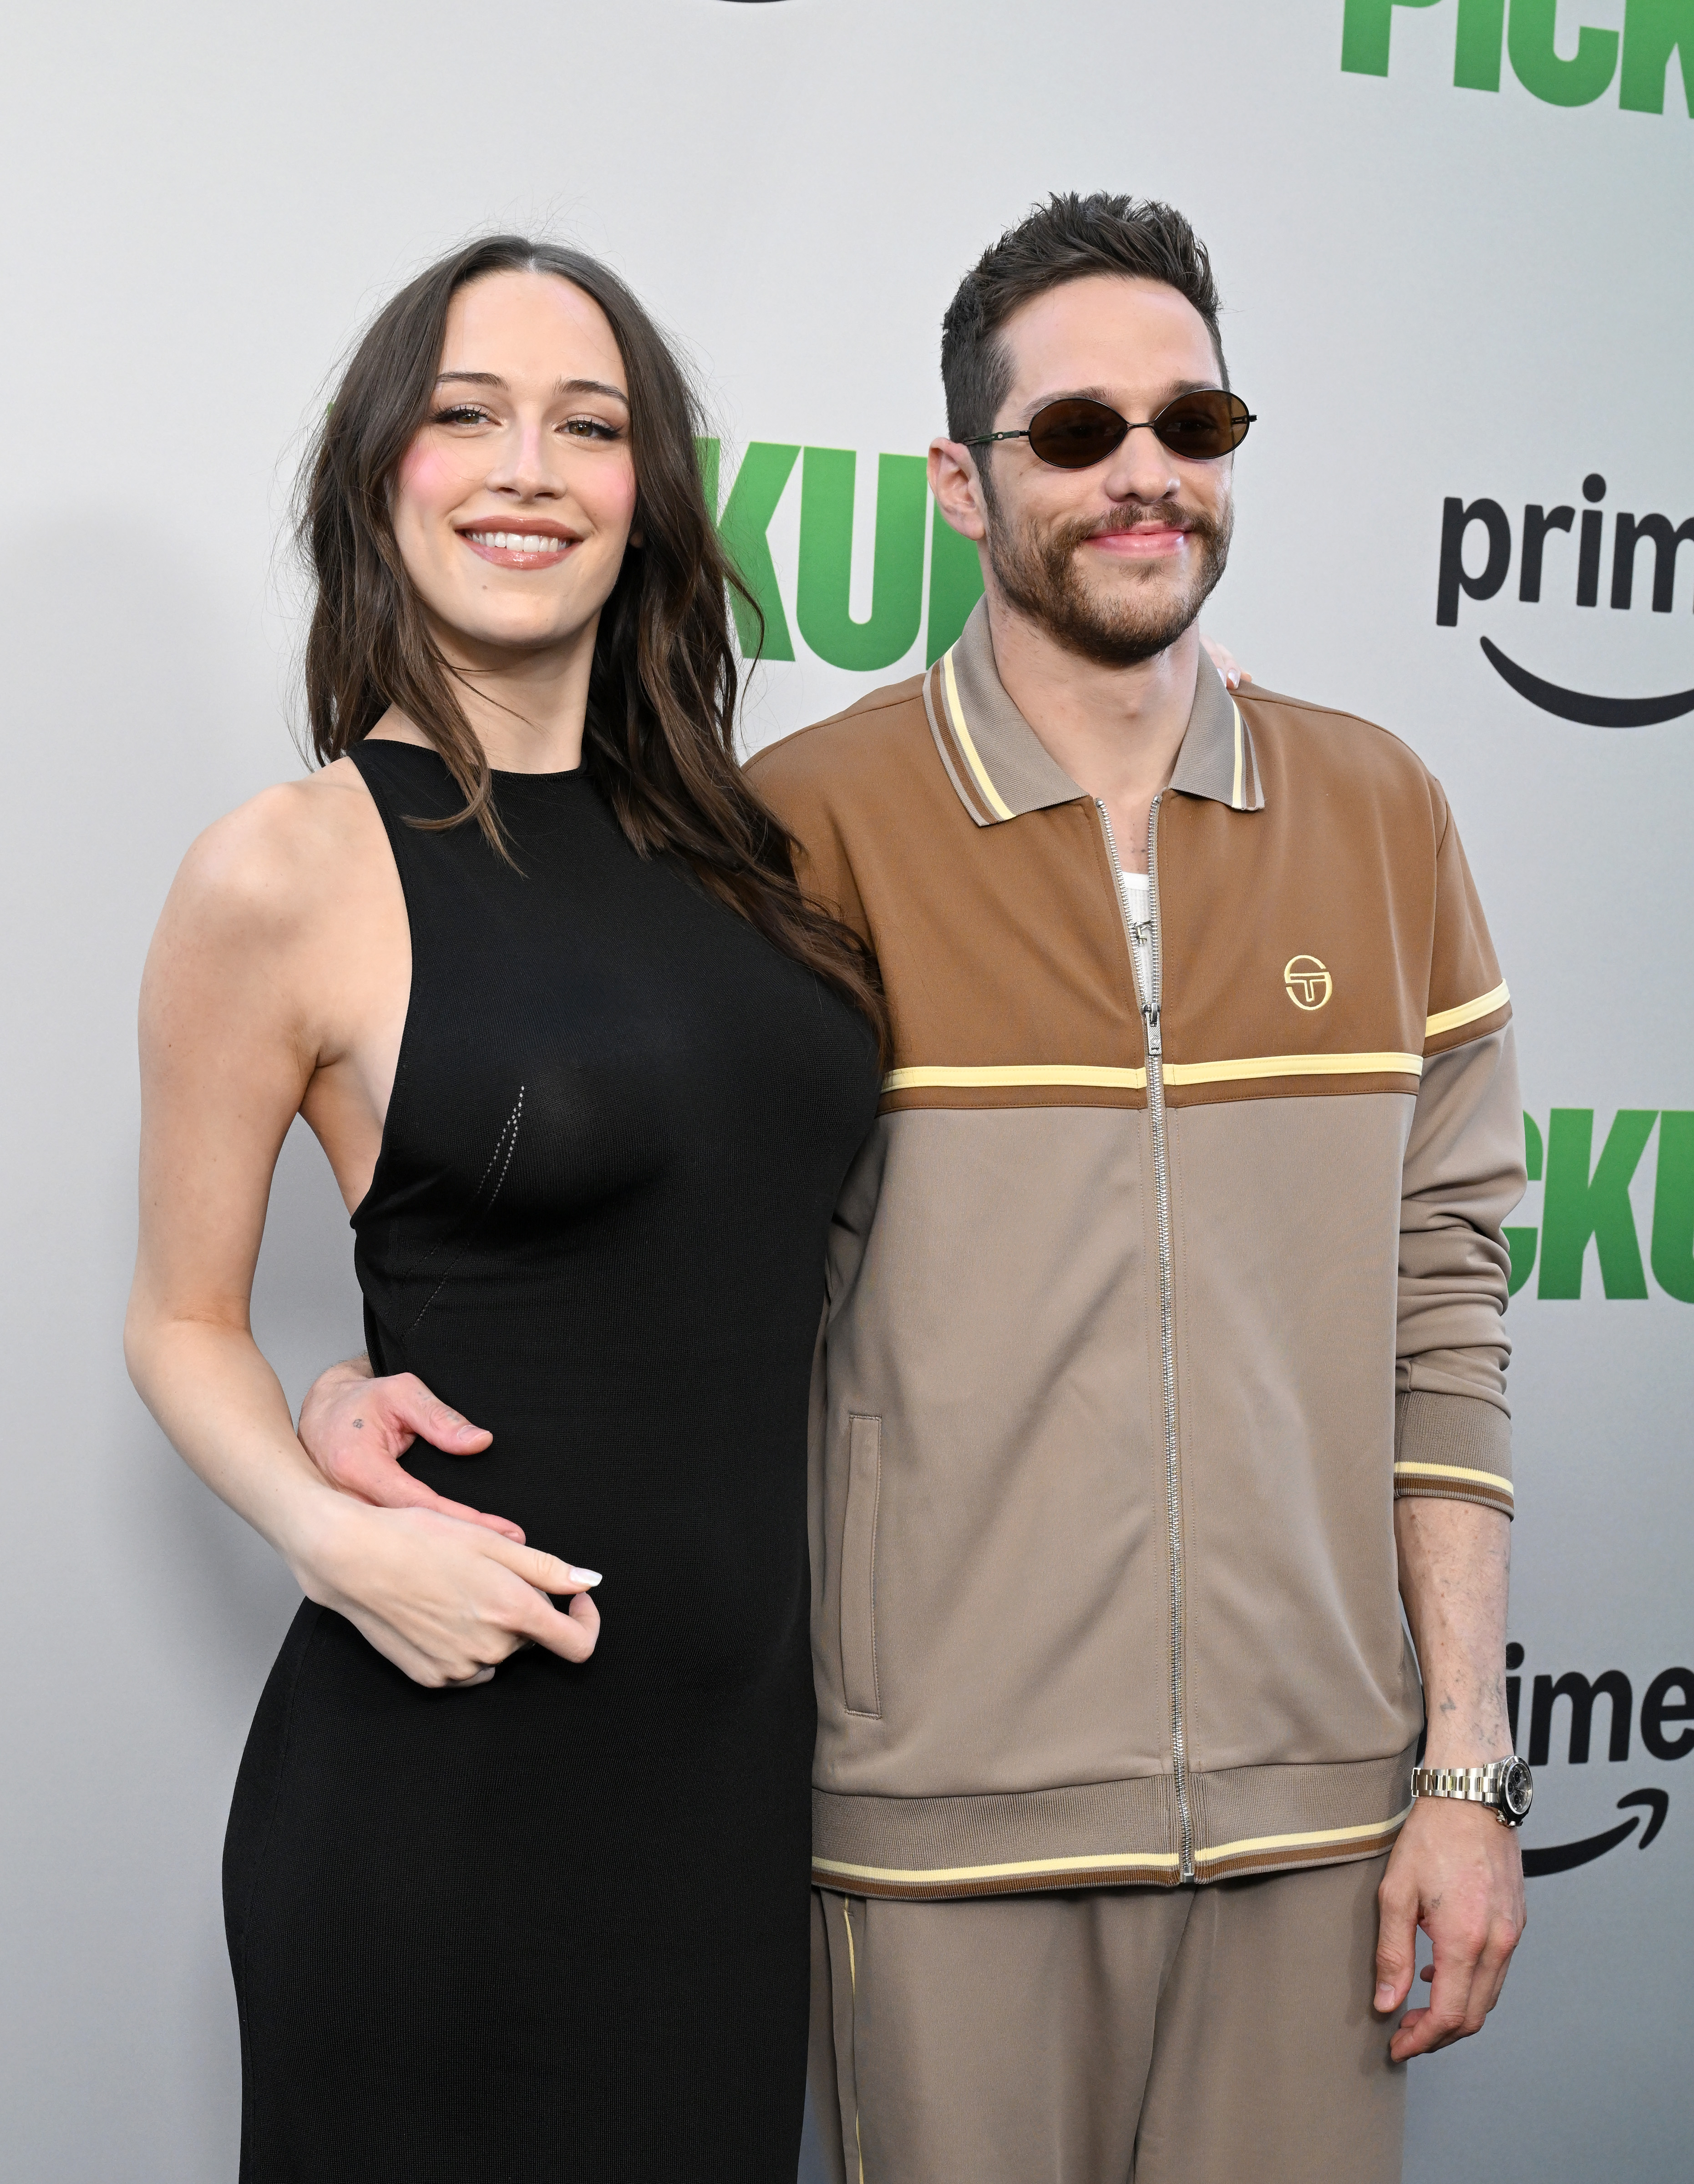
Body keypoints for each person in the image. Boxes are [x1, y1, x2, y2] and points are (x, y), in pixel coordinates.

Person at [298, 195, 1530, 2182]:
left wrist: (1461, 1772)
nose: (1142, 474)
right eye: (1074, 434)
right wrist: (352, 1395)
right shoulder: (791, 831)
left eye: (1191, 424)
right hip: (928, 1843)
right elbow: (635, 1248)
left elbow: (1444, 1299)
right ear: (961, 485)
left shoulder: (1385, 811)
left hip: (1325, 1839)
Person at [123, 235, 887, 2182]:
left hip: (724, 1803)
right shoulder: (285, 871)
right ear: (380, 473)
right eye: (465, 417)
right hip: (441, 1799)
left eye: (588, 424)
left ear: (648, 501)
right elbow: (182, 1316)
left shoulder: (743, 856)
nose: (527, 466)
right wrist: (327, 1535)